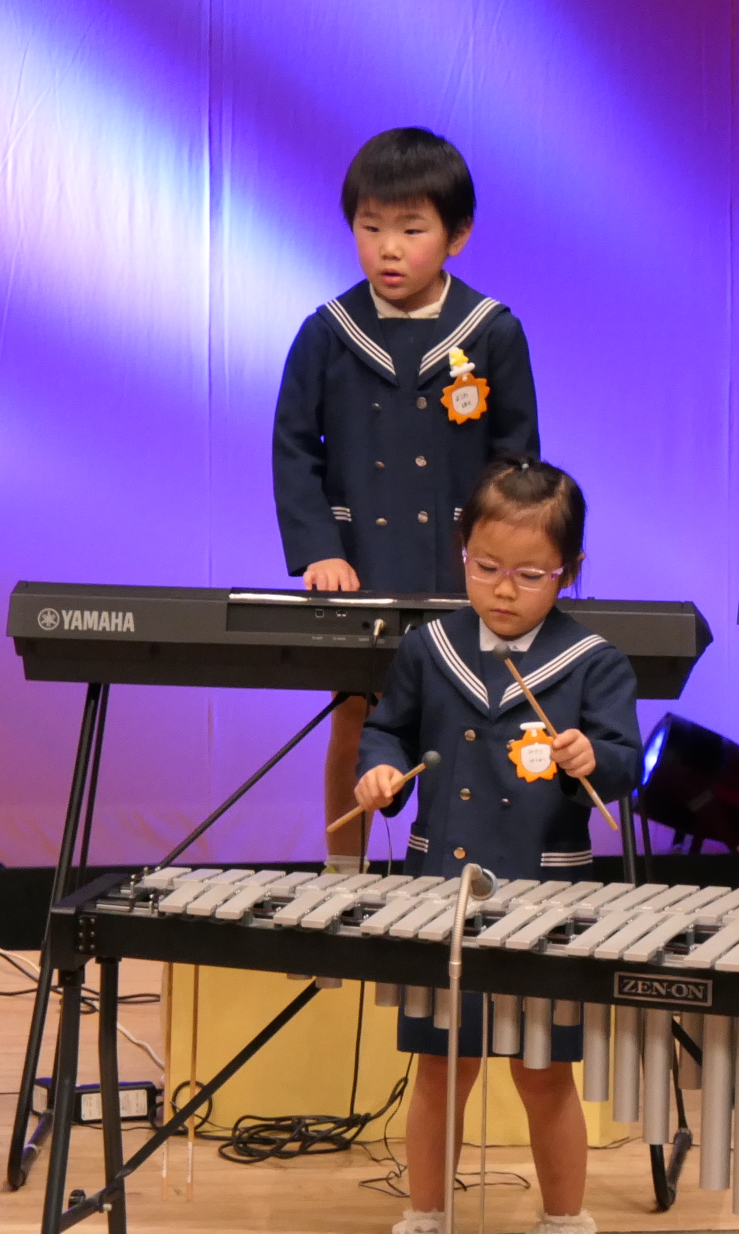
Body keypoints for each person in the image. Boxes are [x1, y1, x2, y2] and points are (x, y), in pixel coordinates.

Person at [355, 459, 638, 1234]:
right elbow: (387, 731)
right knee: (441, 1069)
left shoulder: (592, 663)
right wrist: (380, 774)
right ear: (462, 554)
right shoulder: (429, 648)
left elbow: (623, 761)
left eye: (529, 575)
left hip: (545, 900)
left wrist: (592, 757)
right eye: (485, 567)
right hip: (442, 893)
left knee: (544, 1075)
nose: (504, 590)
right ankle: (426, 1229)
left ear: (569, 572)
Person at [273, 127, 539, 875]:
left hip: (462, 576)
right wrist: (320, 551)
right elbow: (294, 450)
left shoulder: (492, 332)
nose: (388, 248)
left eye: (412, 230)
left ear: (457, 236)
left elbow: (518, 466)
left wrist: (503, 568)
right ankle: (342, 876)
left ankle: (461, 880)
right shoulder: (329, 333)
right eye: (371, 227)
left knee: (468, 729)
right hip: (359, 568)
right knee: (355, 723)